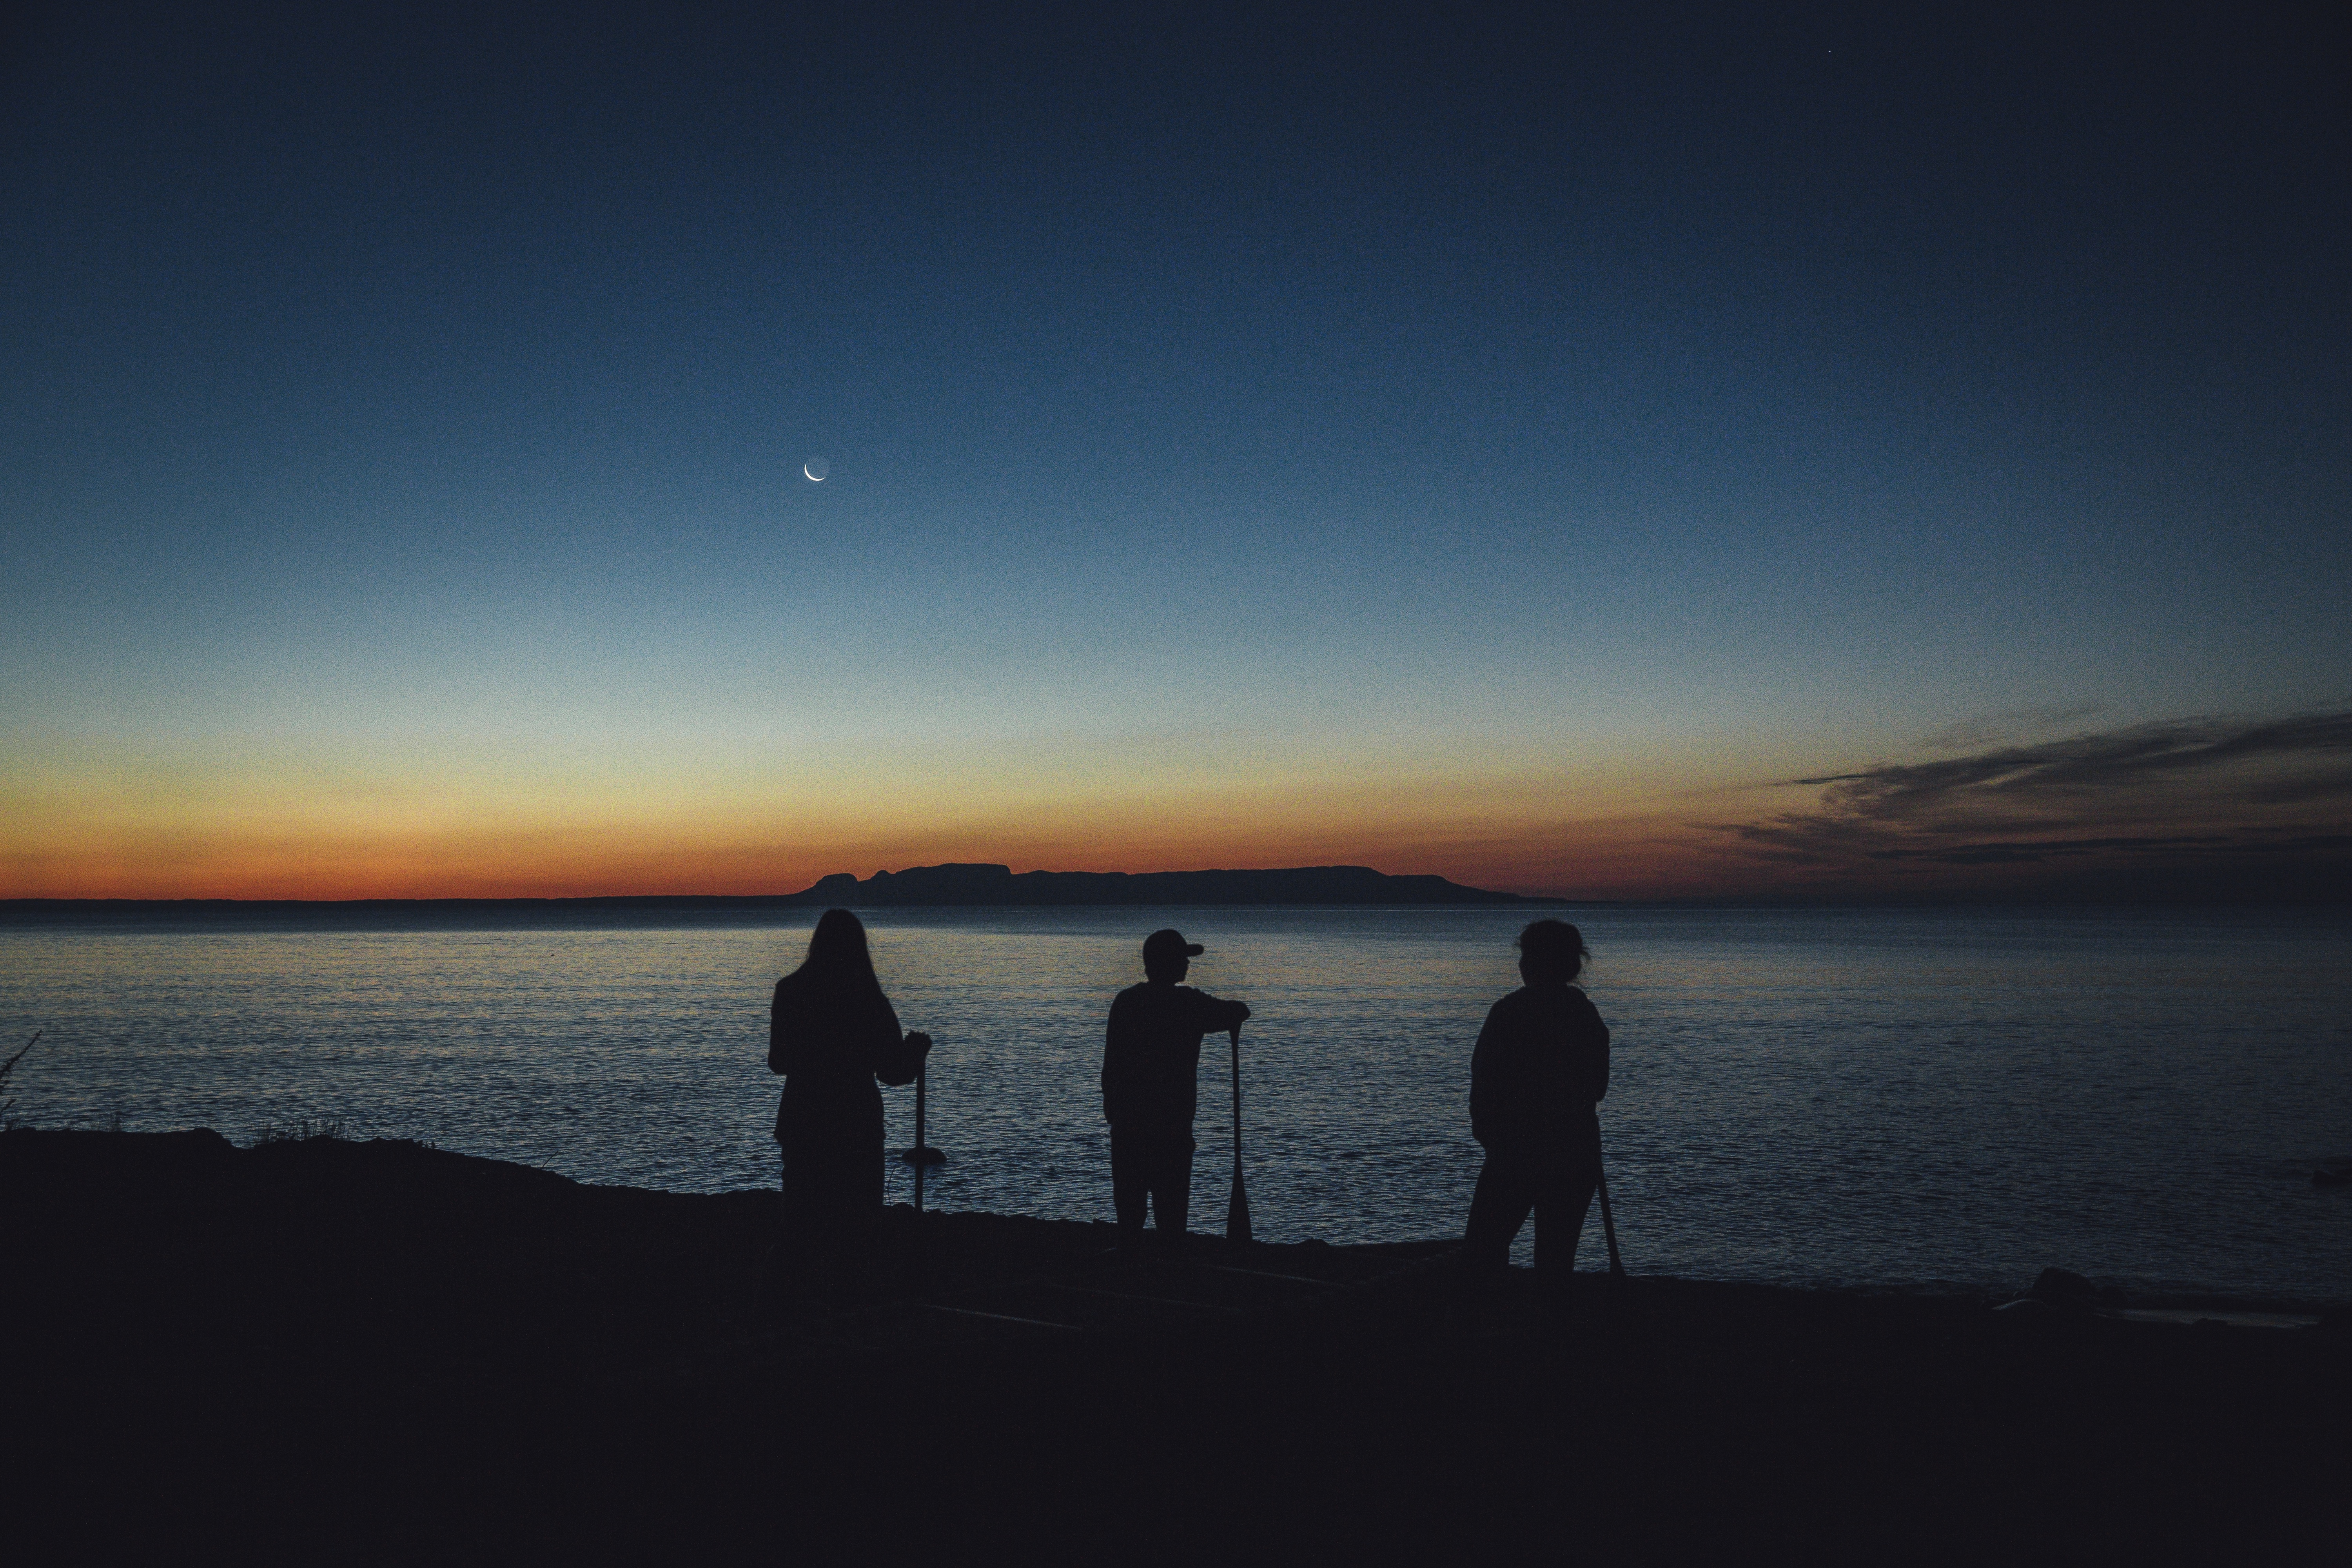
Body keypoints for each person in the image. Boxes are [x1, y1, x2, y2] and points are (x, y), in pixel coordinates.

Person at [768, 908, 931, 1296]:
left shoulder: (790, 991)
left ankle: (795, 1306)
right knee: (857, 1226)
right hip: (855, 1123)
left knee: (802, 1223)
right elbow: (894, 1071)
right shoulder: (869, 1000)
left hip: (803, 1121)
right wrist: (916, 1051)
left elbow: (778, 1062)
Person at [1463, 918, 1610, 1289]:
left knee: (1483, 1252)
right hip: (1575, 1150)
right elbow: (1597, 1087)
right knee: (1557, 1260)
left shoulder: (1510, 1012)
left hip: (1517, 1151)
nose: (1522, 964)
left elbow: (1484, 1084)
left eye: (1527, 955)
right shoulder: (1586, 1016)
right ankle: (1550, 1332)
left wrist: (1494, 1140)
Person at [1101, 928, 1249, 1251]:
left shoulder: (1126, 1002)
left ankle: (1130, 1264)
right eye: (1182, 959)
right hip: (1171, 1127)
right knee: (1171, 1217)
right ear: (1168, 963)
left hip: (1128, 1125)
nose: (1187, 965)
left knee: (1130, 1213)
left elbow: (1111, 1065)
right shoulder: (1187, 1004)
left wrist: (1113, 1112)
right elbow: (1235, 1012)